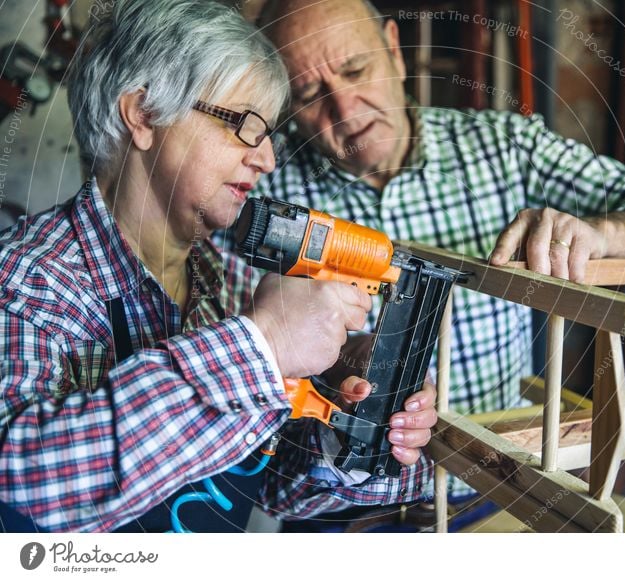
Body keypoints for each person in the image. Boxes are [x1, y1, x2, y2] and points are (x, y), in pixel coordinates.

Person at [247, 0, 625, 513]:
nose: (347, 108)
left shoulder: (503, 147)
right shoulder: (261, 196)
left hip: (493, 498)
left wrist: (600, 234)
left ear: (395, 53)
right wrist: (336, 372)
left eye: (357, 69)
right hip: (343, 513)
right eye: (311, 93)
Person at [0, 0, 436, 533]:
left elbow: (270, 486)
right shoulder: (28, 277)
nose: (266, 158)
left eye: (270, 132)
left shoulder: (231, 285)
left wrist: (359, 423)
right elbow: (22, 476)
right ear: (143, 113)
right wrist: (264, 345)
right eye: (245, 124)